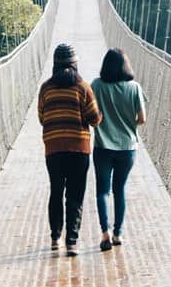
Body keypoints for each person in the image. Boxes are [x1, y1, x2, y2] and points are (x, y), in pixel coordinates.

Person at [37, 42, 101, 256]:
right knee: (75, 195)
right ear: (75, 64)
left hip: (53, 148)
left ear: (54, 65)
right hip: (79, 149)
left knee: (56, 191)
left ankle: (55, 238)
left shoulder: (45, 88)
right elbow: (94, 119)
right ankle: (72, 242)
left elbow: (41, 117)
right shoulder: (83, 87)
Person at [90, 48, 146, 252]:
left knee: (102, 191)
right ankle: (118, 233)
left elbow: (90, 112)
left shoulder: (96, 85)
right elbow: (142, 119)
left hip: (103, 147)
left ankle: (105, 234)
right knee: (119, 190)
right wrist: (127, 124)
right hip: (127, 148)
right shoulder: (134, 87)